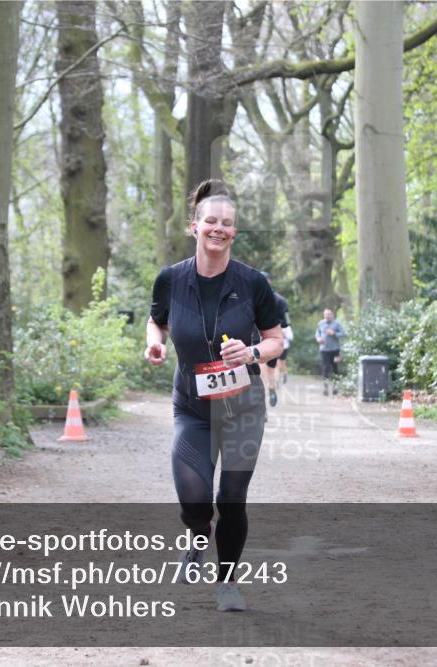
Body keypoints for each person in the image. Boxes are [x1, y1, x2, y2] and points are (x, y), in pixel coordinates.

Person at [145, 179, 284, 612]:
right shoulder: (170, 279)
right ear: (195, 227)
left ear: (234, 233)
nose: (218, 228)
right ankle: (197, 535)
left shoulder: (252, 283)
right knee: (193, 499)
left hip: (242, 406)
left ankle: (227, 584)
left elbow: (276, 339)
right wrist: (155, 342)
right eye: (211, 221)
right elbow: (157, 321)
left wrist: (252, 351)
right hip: (192, 406)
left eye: (226, 223)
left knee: (232, 498)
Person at [257, 274, 291, 407]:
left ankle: (270, 390)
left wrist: (272, 327)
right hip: (259, 340)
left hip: (270, 340)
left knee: (267, 370)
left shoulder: (279, 300)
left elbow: (286, 322)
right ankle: (266, 398)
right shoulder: (251, 297)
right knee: (263, 371)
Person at [315, 308, 346, 396]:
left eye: (329, 314)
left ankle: (335, 387)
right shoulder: (320, 323)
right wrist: (318, 338)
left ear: (332, 315)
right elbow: (317, 333)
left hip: (335, 350)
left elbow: (343, 334)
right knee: (325, 368)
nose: (327, 316)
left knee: (335, 368)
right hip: (324, 350)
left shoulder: (337, 323)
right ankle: (325, 388)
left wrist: (334, 333)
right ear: (324, 315)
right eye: (326, 315)